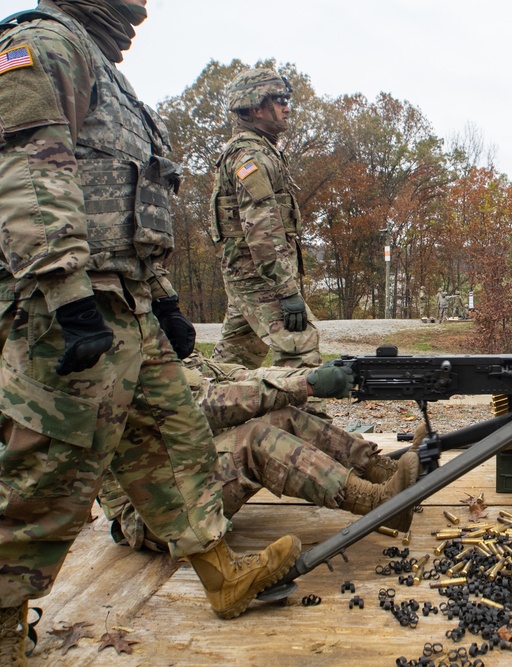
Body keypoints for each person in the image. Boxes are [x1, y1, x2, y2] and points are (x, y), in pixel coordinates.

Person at [0, 1, 301, 659]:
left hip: (131, 303)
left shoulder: (112, 78)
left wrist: (163, 297)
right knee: (45, 480)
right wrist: (65, 287)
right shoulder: (46, 47)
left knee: (177, 445)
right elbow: (29, 169)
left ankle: (223, 578)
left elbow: (134, 205)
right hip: (70, 307)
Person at [98, 353, 421, 551]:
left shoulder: (165, 353)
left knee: (285, 417)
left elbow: (246, 377)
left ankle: (382, 473)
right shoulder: (122, 366)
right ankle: (377, 503)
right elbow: (207, 407)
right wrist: (305, 386)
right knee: (255, 439)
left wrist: (311, 376)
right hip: (153, 514)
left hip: (183, 480)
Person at [209, 67, 322, 369]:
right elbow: (261, 229)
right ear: (256, 107)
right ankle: (304, 416)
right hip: (260, 279)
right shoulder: (251, 156)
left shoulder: (261, 151)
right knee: (299, 348)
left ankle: (206, 411)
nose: (287, 107)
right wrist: (286, 290)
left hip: (251, 275)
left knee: (235, 360)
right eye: (279, 99)